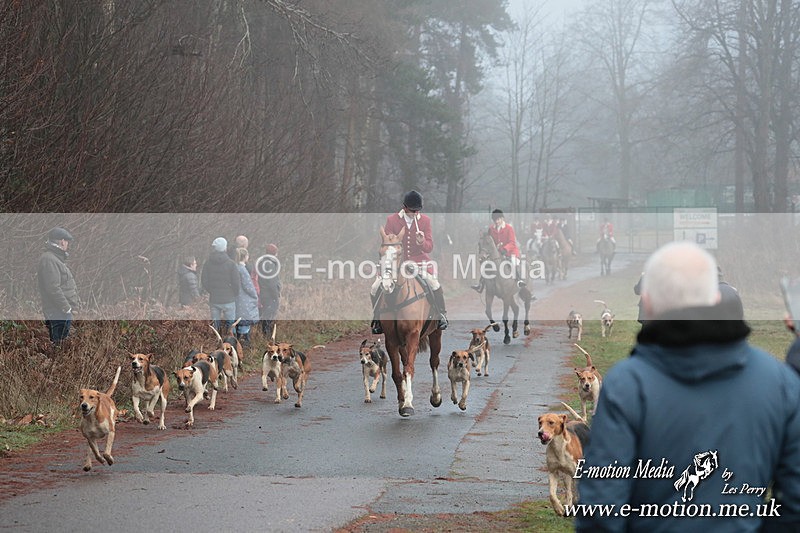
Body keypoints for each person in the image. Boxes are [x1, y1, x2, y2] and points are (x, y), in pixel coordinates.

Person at [575, 241, 800, 532]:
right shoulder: (780, 382)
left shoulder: (626, 385)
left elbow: (600, 512)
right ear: (717, 297)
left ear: (649, 303)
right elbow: (794, 504)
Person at [370, 190, 447, 334]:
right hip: (395, 263)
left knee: (434, 284)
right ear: (405, 207)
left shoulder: (425, 221)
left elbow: (429, 247)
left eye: (418, 210)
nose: (415, 213)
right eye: (412, 210)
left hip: (419, 262)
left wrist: (422, 242)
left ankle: (441, 315)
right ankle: (377, 319)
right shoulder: (392, 220)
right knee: (375, 287)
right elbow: (387, 242)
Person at [37, 227, 80, 345]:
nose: (67, 244)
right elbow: (53, 288)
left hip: (60, 311)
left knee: (61, 344)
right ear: (62, 241)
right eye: (67, 241)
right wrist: (66, 307)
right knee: (58, 345)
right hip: (57, 311)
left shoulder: (55, 259)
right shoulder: (49, 259)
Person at [472, 209, 525, 293]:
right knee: (487, 263)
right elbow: (489, 241)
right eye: (495, 220)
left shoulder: (509, 228)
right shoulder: (491, 229)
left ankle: (519, 281)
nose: (496, 222)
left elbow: (512, 242)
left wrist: (505, 249)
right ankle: (481, 284)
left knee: (514, 262)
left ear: (502, 219)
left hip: (510, 251)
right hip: (497, 252)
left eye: (498, 219)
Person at [200, 237, 240, 334]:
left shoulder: (207, 263)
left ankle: (216, 344)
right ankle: (231, 344)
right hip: (229, 299)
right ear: (225, 248)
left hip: (214, 299)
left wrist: (212, 291)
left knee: (215, 326)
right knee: (231, 325)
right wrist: (234, 293)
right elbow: (236, 283)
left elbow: (204, 281)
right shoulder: (231, 264)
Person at [234, 247, 259, 346]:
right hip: (244, 299)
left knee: (240, 320)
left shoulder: (235, 267)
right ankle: (244, 343)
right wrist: (255, 295)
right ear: (245, 257)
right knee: (245, 320)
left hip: (237, 298)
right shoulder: (242, 269)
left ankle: (240, 341)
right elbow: (248, 286)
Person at [257, 243, 282, 338]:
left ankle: (264, 335)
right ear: (275, 253)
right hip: (269, 295)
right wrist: (276, 295)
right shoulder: (270, 264)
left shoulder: (262, 261)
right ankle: (267, 337)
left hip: (263, 293)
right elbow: (272, 283)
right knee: (269, 316)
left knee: (265, 315)